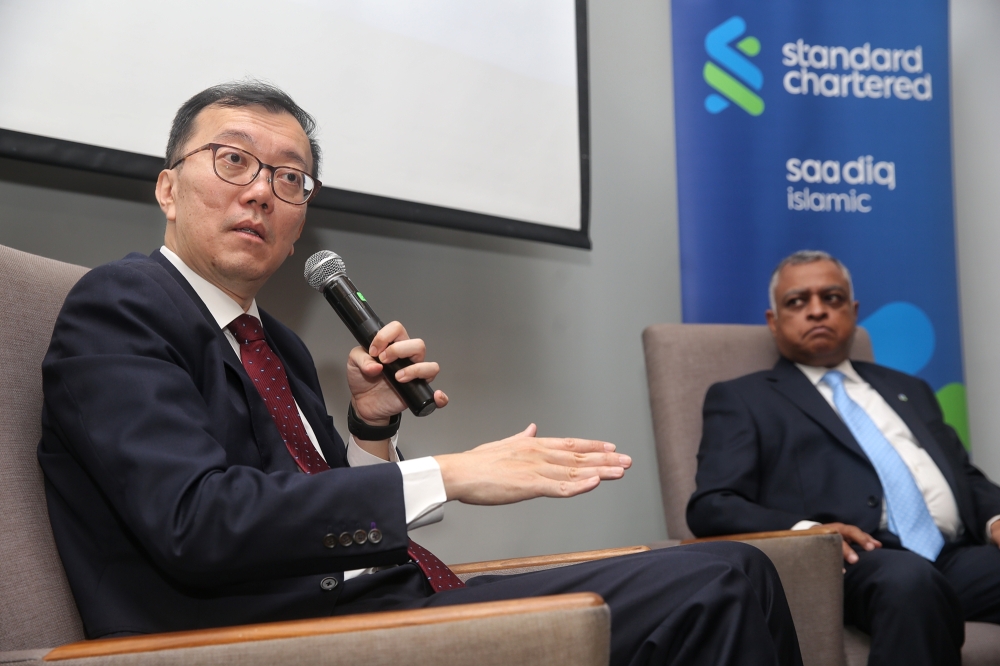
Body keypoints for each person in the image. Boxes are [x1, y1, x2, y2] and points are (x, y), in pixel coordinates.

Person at [37, 81, 802, 665]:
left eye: (291, 179)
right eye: (233, 160)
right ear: (168, 187)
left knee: (738, 571)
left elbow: (316, 513)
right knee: (719, 584)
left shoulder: (277, 343)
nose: (262, 190)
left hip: (371, 600)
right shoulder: (122, 302)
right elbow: (197, 523)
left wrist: (373, 427)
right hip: (246, 638)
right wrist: (454, 472)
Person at [688, 249, 1000, 666]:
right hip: (853, 564)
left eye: (832, 298)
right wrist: (809, 532)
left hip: (954, 556)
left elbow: (963, 475)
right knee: (910, 584)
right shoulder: (744, 398)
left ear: (853, 312)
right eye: (797, 302)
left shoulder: (909, 388)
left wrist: (997, 518)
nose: (817, 311)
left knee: (921, 581)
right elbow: (713, 504)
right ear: (773, 320)